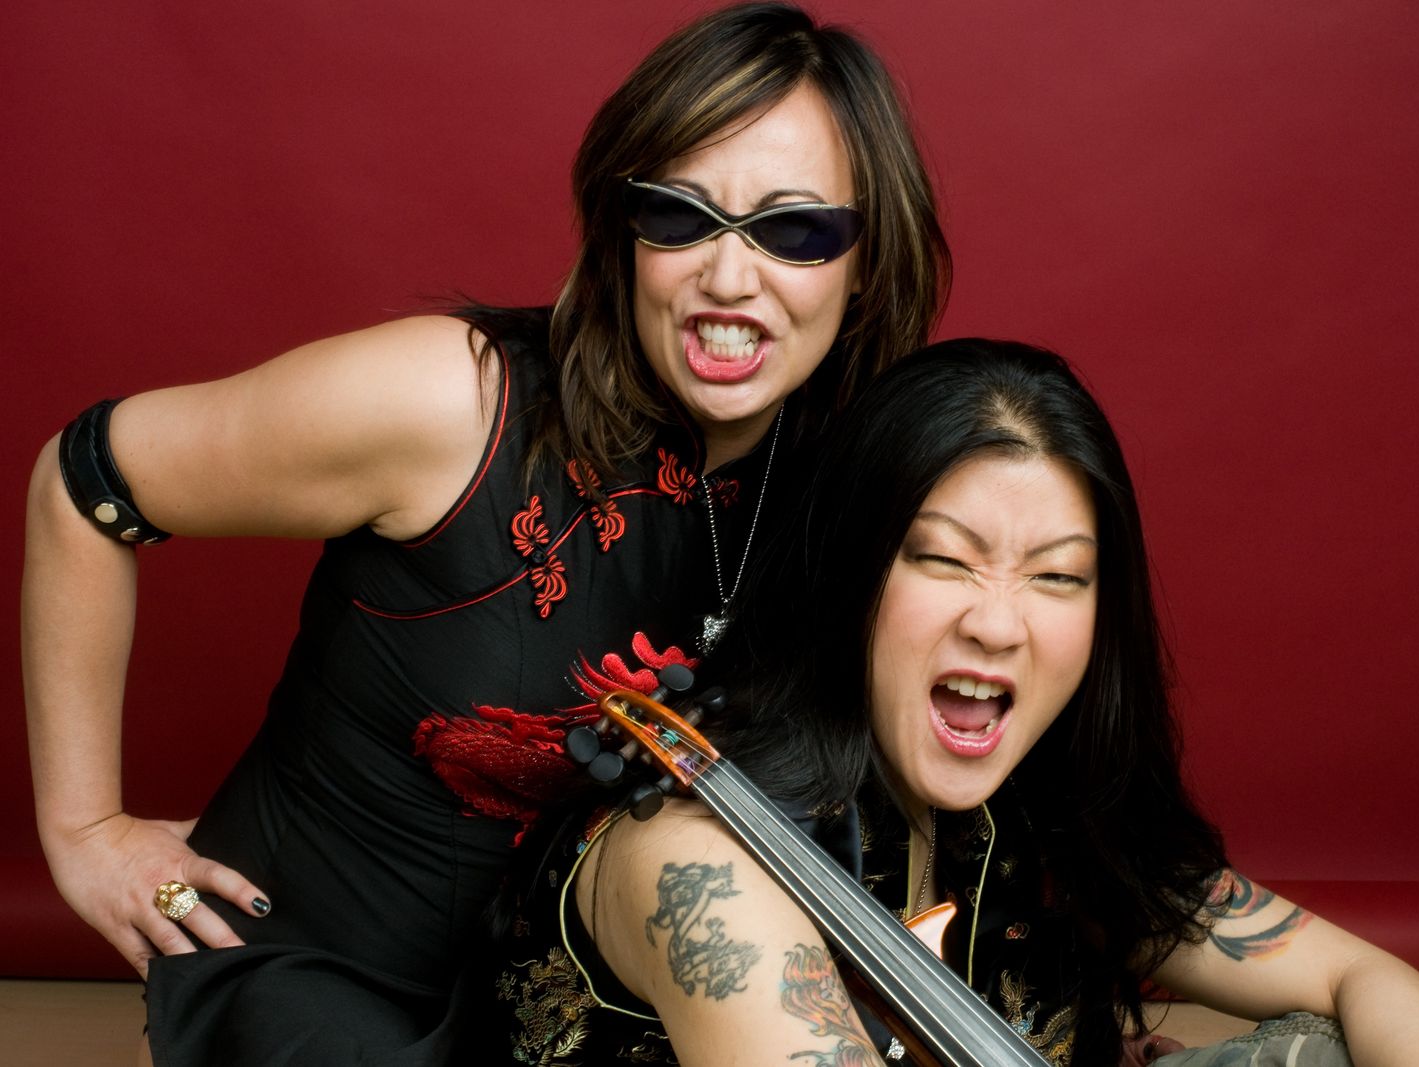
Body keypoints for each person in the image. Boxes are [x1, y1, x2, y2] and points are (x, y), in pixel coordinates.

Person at [20, 4, 948, 1063]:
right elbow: (81, 480)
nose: (729, 278)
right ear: (622, 231)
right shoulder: (450, 403)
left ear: (865, 261)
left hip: (572, 1008)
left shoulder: (853, 483)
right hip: (307, 978)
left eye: (794, 230)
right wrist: (85, 830)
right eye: (678, 215)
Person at [503, 339, 1419, 1066]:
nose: (999, 624)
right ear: (848, 577)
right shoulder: (696, 861)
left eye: (1057, 576)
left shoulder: (1050, 812)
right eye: (942, 559)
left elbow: (1373, 981)